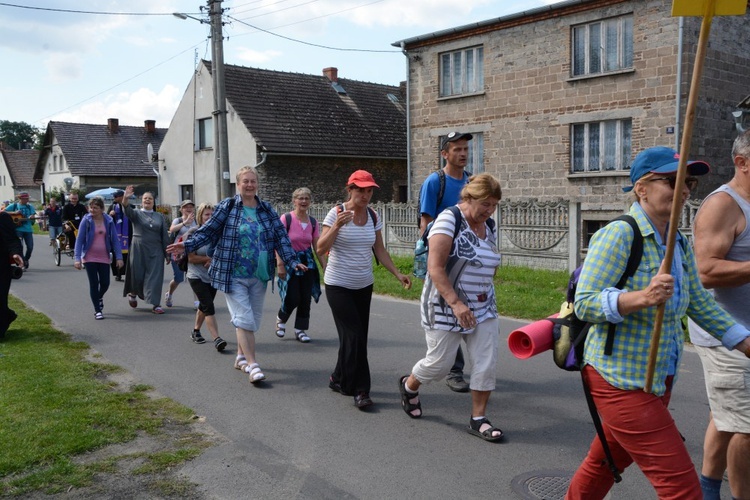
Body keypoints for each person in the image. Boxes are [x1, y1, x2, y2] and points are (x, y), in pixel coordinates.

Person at [566, 146, 750, 500]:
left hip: (656, 378)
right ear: (642, 188)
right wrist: (642, 298)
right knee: (682, 489)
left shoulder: (676, 242)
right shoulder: (620, 234)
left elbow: (699, 304)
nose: (684, 190)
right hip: (618, 380)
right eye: (672, 181)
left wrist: (744, 341)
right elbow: (585, 303)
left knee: (605, 462)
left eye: (689, 182)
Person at [168, 166, 306, 384]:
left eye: (253, 181)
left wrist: (292, 261)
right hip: (233, 273)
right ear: (238, 184)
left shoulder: (266, 210)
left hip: (259, 274)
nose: (250, 185)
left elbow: (281, 237)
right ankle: (253, 364)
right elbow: (209, 230)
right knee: (244, 319)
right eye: (245, 181)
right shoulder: (228, 206)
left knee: (253, 321)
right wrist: (187, 245)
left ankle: (240, 357)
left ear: (257, 184)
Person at [399, 173, 503, 440]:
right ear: (469, 197)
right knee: (440, 365)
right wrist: (456, 303)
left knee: (485, 362)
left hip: (483, 306)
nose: (489, 210)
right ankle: (410, 386)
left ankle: (478, 419)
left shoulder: (489, 225)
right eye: (485, 204)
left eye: (493, 205)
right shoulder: (448, 219)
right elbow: (435, 268)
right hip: (445, 305)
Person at [687, 130, 750, 500]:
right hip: (727, 334)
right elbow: (705, 270)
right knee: (746, 425)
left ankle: (707, 488)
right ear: (742, 163)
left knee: (727, 417)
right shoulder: (723, 205)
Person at [317, 170, 412, 409]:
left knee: (355, 337)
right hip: (338, 285)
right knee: (355, 336)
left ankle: (338, 378)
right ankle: (361, 390)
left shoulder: (372, 215)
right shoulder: (336, 213)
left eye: (369, 190)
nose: (365, 195)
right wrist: (337, 226)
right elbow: (320, 248)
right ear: (349, 189)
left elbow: (380, 250)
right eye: (360, 190)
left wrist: (397, 273)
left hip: (363, 285)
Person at [418, 132, 473, 393]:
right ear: (445, 154)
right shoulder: (435, 182)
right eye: (457, 149)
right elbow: (426, 222)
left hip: (467, 258)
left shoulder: (470, 182)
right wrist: (433, 257)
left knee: (468, 307)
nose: (462, 153)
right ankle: (452, 369)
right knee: (447, 310)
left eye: (465, 149)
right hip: (442, 258)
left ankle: (457, 363)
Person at [274, 187, 327, 343]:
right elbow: (279, 242)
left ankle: (300, 329)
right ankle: (281, 319)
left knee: (305, 297)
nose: (303, 201)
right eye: (300, 198)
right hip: (290, 262)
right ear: (294, 201)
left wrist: (325, 265)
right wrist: (280, 264)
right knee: (292, 296)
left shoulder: (312, 222)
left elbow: (318, 246)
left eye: (306, 199)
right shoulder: (286, 219)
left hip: (307, 263)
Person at [184, 203, 227, 351]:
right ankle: (217, 338)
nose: (209, 218)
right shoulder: (193, 232)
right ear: (200, 217)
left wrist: (215, 261)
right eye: (206, 215)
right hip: (195, 275)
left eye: (212, 215)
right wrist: (207, 260)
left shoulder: (218, 234)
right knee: (208, 305)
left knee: (204, 305)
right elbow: (191, 258)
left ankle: (195, 331)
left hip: (212, 276)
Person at [74, 197, 124, 320]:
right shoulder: (86, 220)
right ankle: (97, 310)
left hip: (104, 256)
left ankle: (99, 296)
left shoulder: (109, 220)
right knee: (94, 283)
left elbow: (115, 240)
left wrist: (119, 257)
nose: (92, 210)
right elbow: (79, 240)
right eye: (91, 207)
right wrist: (77, 258)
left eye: (95, 207)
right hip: (89, 256)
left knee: (105, 283)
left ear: (102, 209)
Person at [121, 187, 169, 314]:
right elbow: (126, 210)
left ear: (154, 202)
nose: (147, 200)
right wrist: (126, 197)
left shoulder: (160, 216)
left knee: (155, 277)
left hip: (156, 249)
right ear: (141, 201)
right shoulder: (136, 213)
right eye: (145, 198)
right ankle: (133, 293)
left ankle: (155, 304)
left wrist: (167, 253)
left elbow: (164, 235)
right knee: (137, 274)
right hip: (139, 248)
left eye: (150, 198)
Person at [165, 200, 197, 308]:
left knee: (195, 277)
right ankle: (169, 294)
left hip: (191, 253)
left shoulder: (196, 221)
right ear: (181, 209)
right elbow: (172, 229)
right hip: (177, 254)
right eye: (185, 207)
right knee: (178, 279)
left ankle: (197, 302)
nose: (188, 209)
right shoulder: (177, 220)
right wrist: (185, 222)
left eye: (190, 207)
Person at [0, 210, 24, 339]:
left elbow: (12, 240)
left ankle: (4, 319)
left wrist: (16, 253)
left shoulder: (2, 217)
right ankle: (7, 315)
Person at [5, 192, 36, 269]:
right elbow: (3, 212)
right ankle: (21, 262)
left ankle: (25, 260)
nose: (27, 200)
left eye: (28, 198)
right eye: (26, 198)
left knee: (30, 247)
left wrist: (32, 217)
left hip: (28, 230)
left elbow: (33, 215)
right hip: (18, 229)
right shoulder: (14, 205)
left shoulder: (30, 206)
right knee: (19, 247)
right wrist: (14, 212)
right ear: (21, 199)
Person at [108, 190, 132, 281]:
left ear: (122, 197)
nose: (114, 198)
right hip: (116, 235)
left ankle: (128, 273)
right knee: (117, 255)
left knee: (128, 255)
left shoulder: (131, 207)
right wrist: (110, 214)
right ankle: (118, 273)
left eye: (116, 196)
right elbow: (106, 219)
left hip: (128, 235)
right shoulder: (112, 207)